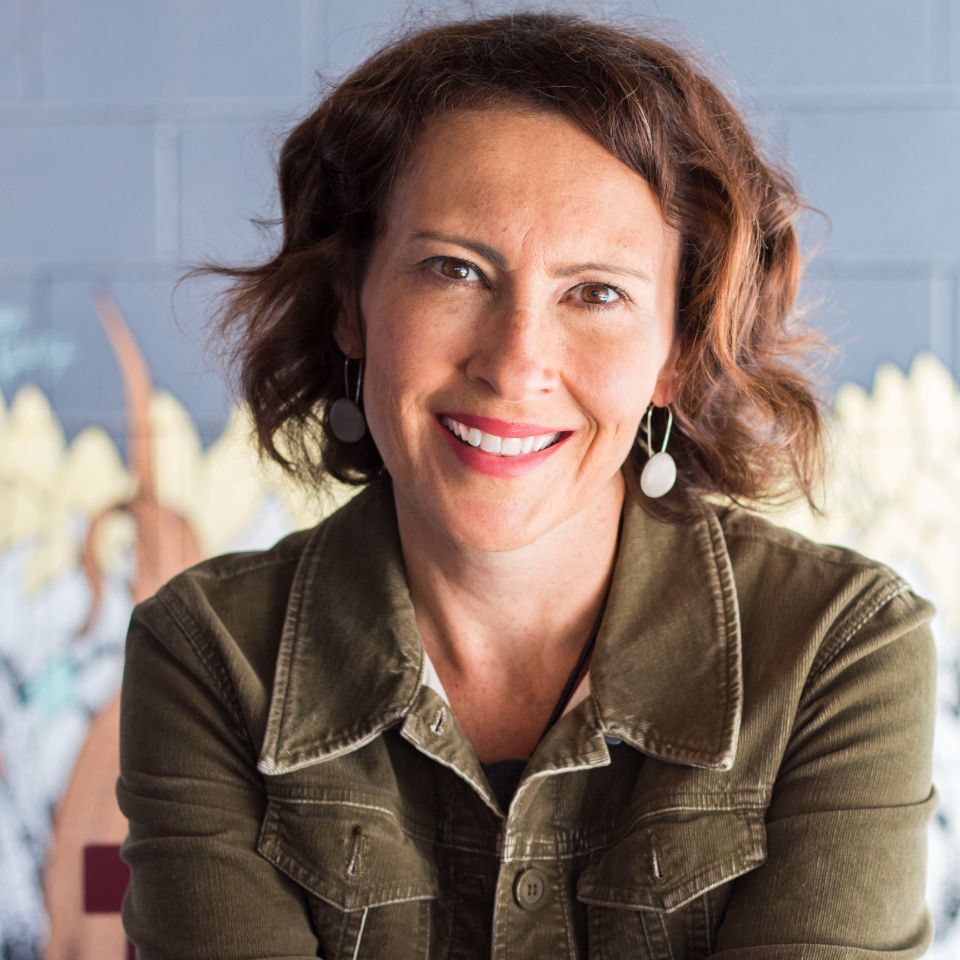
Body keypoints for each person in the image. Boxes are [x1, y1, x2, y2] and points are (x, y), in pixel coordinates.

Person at [117, 10, 937, 959]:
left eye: (596, 293)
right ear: (352, 306)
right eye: (455, 270)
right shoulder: (211, 659)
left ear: (675, 352)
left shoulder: (838, 651)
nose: (516, 364)